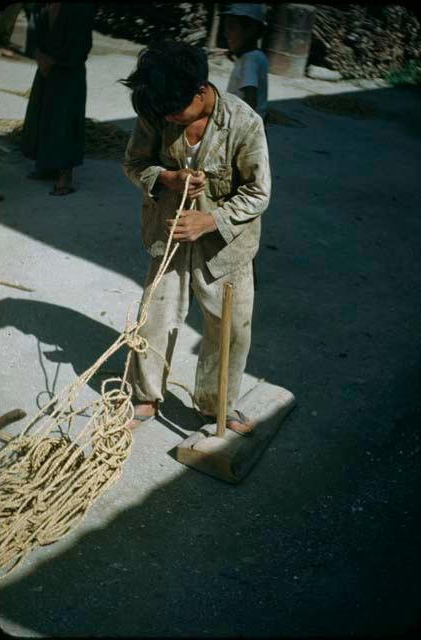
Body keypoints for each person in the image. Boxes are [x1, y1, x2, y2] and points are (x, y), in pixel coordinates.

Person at [121, 41, 271, 435]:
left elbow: (258, 193)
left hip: (226, 246)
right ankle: (146, 396)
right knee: (155, 316)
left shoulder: (245, 123)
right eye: (164, 114)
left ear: (201, 92)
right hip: (168, 235)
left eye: (176, 111)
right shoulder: (158, 111)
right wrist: (167, 178)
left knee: (231, 327)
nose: (169, 118)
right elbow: (135, 163)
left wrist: (210, 221)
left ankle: (216, 404)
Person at [21, 3, 95, 196]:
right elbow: (33, 30)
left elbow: (81, 43)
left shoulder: (81, 7)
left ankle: (65, 175)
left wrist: (53, 61)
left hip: (69, 71)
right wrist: (38, 55)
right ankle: (46, 165)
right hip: (45, 69)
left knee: (65, 120)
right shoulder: (40, 5)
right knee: (42, 114)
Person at [222, 3, 269, 122]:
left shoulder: (250, 61)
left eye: (231, 27)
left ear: (251, 30)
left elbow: (250, 97)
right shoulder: (257, 56)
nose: (226, 33)